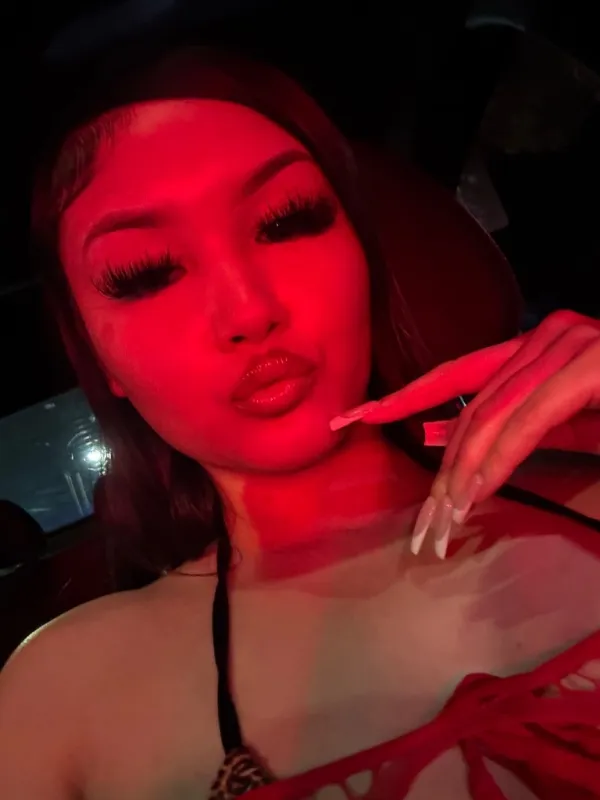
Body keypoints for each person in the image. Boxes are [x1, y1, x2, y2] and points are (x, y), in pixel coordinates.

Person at [1, 45, 599, 799]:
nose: (249, 310)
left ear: (362, 254)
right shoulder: (57, 701)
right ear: (97, 358)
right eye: (146, 272)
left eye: (286, 221)